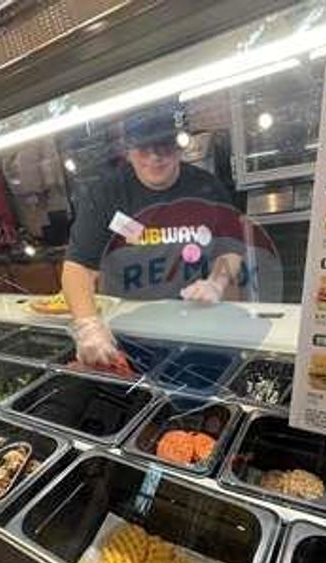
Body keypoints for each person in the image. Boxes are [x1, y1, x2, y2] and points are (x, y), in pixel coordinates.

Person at [62, 104, 244, 367]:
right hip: (127, 334)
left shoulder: (207, 187)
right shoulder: (106, 194)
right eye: (143, 149)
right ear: (128, 151)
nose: (155, 157)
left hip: (197, 327)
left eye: (164, 147)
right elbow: (77, 268)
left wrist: (216, 282)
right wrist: (88, 325)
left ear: (179, 146)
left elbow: (231, 248)